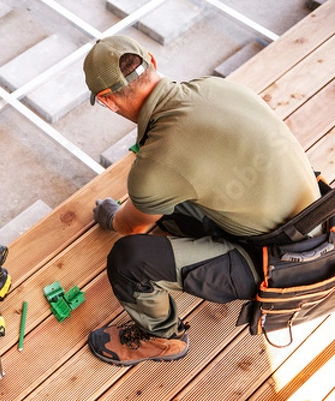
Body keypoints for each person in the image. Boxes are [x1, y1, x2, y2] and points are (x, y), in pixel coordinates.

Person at [83, 35, 321, 366]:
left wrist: (111, 215)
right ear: (152, 60)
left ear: (108, 101)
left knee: (128, 260)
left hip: (282, 266)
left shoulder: (156, 163)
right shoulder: (216, 88)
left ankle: (163, 339)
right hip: (318, 224)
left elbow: (131, 224)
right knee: (167, 207)